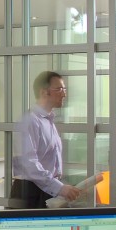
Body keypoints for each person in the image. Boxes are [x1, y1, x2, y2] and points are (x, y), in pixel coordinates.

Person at [12, 71, 104, 208]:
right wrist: (59, 188)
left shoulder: (48, 120)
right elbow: (29, 164)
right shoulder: (29, 121)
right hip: (30, 192)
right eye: (59, 89)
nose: (64, 94)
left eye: (64, 89)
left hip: (46, 189)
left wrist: (62, 188)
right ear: (44, 92)